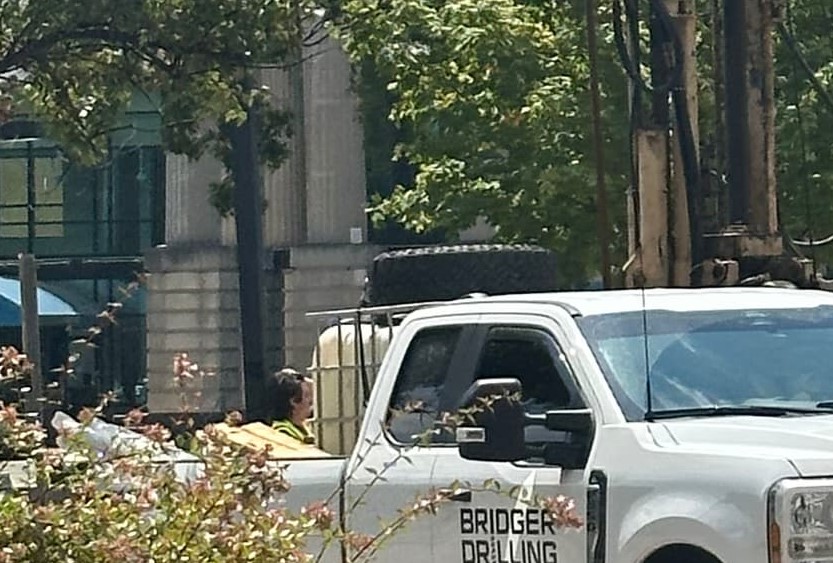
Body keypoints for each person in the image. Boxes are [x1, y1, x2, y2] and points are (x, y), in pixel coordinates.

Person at [265, 367, 315, 444]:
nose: (311, 400)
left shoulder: (303, 427)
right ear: (293, 401)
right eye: (306, 395)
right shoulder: (282, 433)